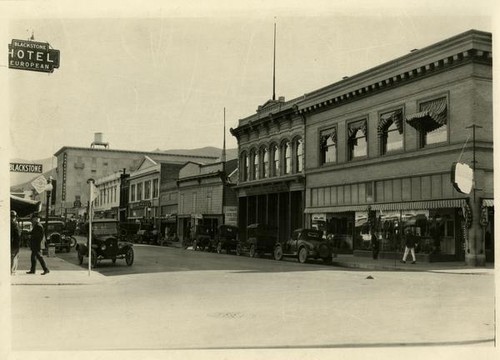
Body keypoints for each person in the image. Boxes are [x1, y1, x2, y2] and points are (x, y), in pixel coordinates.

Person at [11, 210, 21, 275]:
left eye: (13, 216)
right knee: (14, 257)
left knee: (13, 257)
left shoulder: (13, 224)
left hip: (14, 243)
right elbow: (18, 235)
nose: (12, 218)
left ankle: (12, 271)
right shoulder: (15, 224)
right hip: (15, 244)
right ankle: (12, 271)